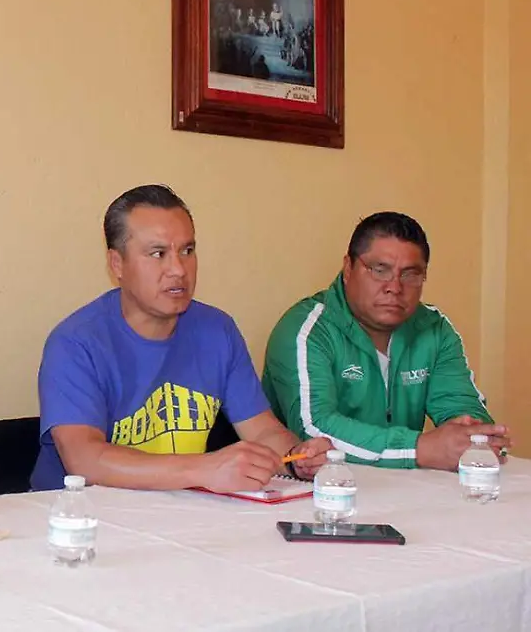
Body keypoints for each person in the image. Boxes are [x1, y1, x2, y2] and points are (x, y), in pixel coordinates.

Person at [30, 185, 330, 492]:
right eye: (158, 254)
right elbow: (85, 461)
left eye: (187, 251)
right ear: (117, 264)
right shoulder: (76, 343)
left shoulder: (218, 331)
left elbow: (263, 432)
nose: (178, 270)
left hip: (177, 510)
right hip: (77, 514)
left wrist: (296, 458)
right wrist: (205, 469)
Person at [262, 212, 512, 470]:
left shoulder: (434, 329)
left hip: (407, 486)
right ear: (348, 268)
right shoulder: (307, 328)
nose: (395, 287)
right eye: (380, 270)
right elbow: (314, 429)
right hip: (320, 486)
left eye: (410, 274)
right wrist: (418, 449)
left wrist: (473, 438)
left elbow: (464, 410)